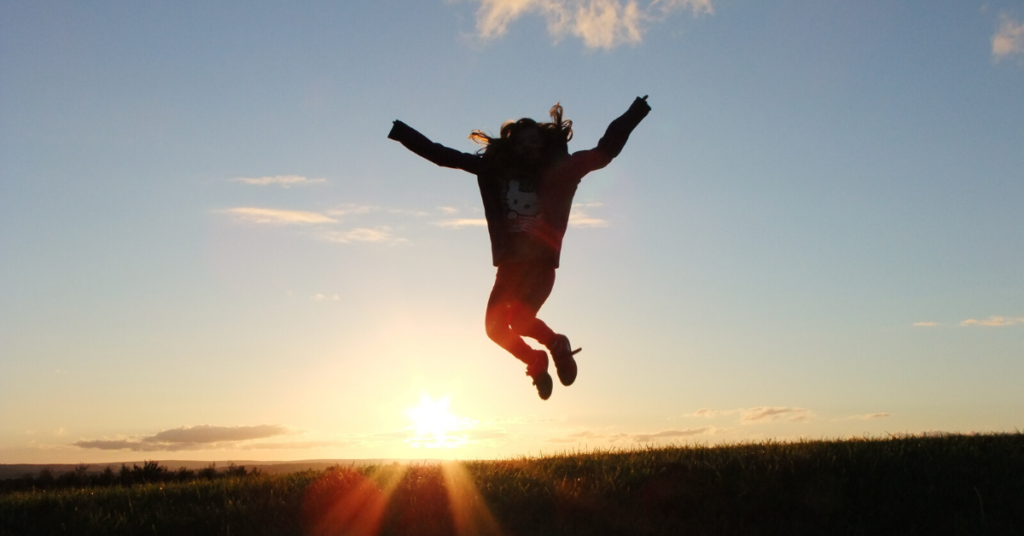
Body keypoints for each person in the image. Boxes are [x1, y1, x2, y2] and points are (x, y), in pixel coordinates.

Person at [388, 96, 651, 399]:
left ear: (543, 145)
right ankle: (535, 359)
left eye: (534, 141)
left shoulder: (562, 171)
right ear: (511, 146)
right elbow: (444, 155)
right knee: (495, 328)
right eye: (521, 141)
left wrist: (635, 112)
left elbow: (604, 152)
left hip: (540, 266)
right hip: (510, 268)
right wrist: (402, 133)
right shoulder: (493, 171)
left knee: (521, 321)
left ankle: (556, 345)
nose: (528, 146)